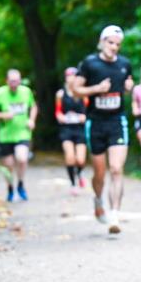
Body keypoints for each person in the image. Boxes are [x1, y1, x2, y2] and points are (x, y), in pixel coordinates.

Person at [70, 25, 134, 234]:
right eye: (110, 42)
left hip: (117, 122)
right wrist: (96, 89)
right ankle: (98, 199)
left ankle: (114, 214)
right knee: (100, 173)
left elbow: (127, 82)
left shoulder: (125, 64)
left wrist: (128, 86)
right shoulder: (90, 64)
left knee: (116, 169)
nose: (114, 47)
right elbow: (75, 90)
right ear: (102, 42)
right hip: (95, 123)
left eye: (117, 44)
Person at [0, 69, 38, 202]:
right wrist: (3, 115)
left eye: (16, 81)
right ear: (7, 81)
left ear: (20, 80)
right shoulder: (0, 93)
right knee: (8, 165)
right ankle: (10, 187)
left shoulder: (26, 91)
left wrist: (32, 120)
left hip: (23, 132)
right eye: (11, 81)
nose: (14, 84)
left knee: (22, 158)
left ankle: (21, 184)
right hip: (6, 135)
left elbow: (33, 106)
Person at [55, 67, 88, 195]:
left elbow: (88, 111)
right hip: (66, 129)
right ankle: (73, 183)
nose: (72, 78)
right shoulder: (60, 94)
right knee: (70, 157)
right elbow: (57, 111)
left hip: (80, 129)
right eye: (69, 76)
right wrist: (61, 117)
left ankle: (79, 174)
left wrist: (84, 117)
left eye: (74, 76)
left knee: (80, 160)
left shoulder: (83, 93)